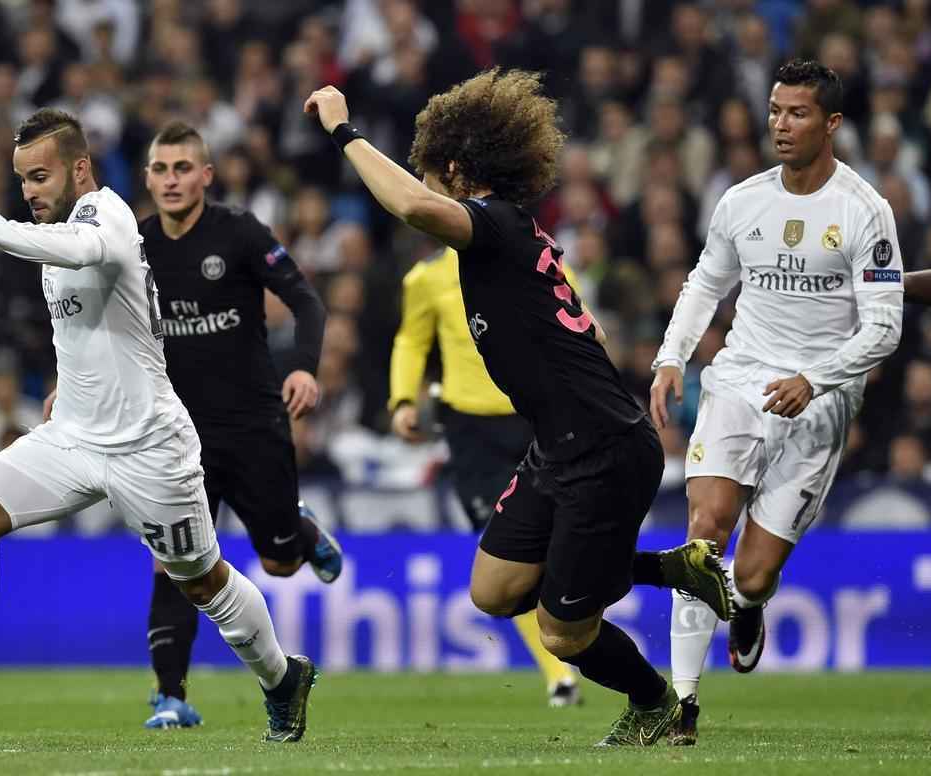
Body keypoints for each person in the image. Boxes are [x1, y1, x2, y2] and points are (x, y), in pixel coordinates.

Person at [305, 69, 734, 747]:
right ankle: (672, 568)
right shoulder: (520, 237)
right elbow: (586, 331)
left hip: (602, 449)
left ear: (454, 167)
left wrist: (343, 130)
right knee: (496, 591)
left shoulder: (493, 225)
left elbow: (415, 209)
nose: (430, 183)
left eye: (434, 171)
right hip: (559, 444)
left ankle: (657, 704)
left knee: (563, 632)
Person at [0, 108, 317, 743]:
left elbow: (86, 251)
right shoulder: (52, 233)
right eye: (22, 179)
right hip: (76, 438)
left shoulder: (106, 213)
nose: (30, 190)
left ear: (79, 168)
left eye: (40, 176)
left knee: (201, 580)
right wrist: (69, 383)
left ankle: (282, 679)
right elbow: (90, 323)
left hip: (149, 446)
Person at [649, 60, 904, 746]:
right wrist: (672, 358)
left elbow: (885, 325)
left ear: (832, 124)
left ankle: (749, 606)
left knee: (754, 574)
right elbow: (706, 285)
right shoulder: (742, 201)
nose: (780, 125)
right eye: (774, 111)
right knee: (704, 530)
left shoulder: (864, 212)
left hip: (819, 403)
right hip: (738, 380)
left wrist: (817, 379)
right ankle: (681, 704)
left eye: (796, 114)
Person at [135, 120, 341, 729]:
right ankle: (170, 696)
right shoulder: (135, 243)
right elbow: (98, 324)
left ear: (206, 175)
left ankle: (297, 531)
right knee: (175, 561)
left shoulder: (241, 233)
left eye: (182, 168)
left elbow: (306, 300)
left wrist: (303, 368)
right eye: (160, 169)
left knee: (278, 563)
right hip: (174, 433)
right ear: (147, 178)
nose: (171, 180)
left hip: (253, 424)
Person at [388, 244, 583, 708]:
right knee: (505, 550)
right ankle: (559, 674)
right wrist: (402, 400)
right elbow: (411, 340)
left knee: (560, 541)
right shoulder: (426, 277)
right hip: (471, 430)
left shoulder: (530, 252)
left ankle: (573, 641)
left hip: (536, 415)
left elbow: (575, 319)